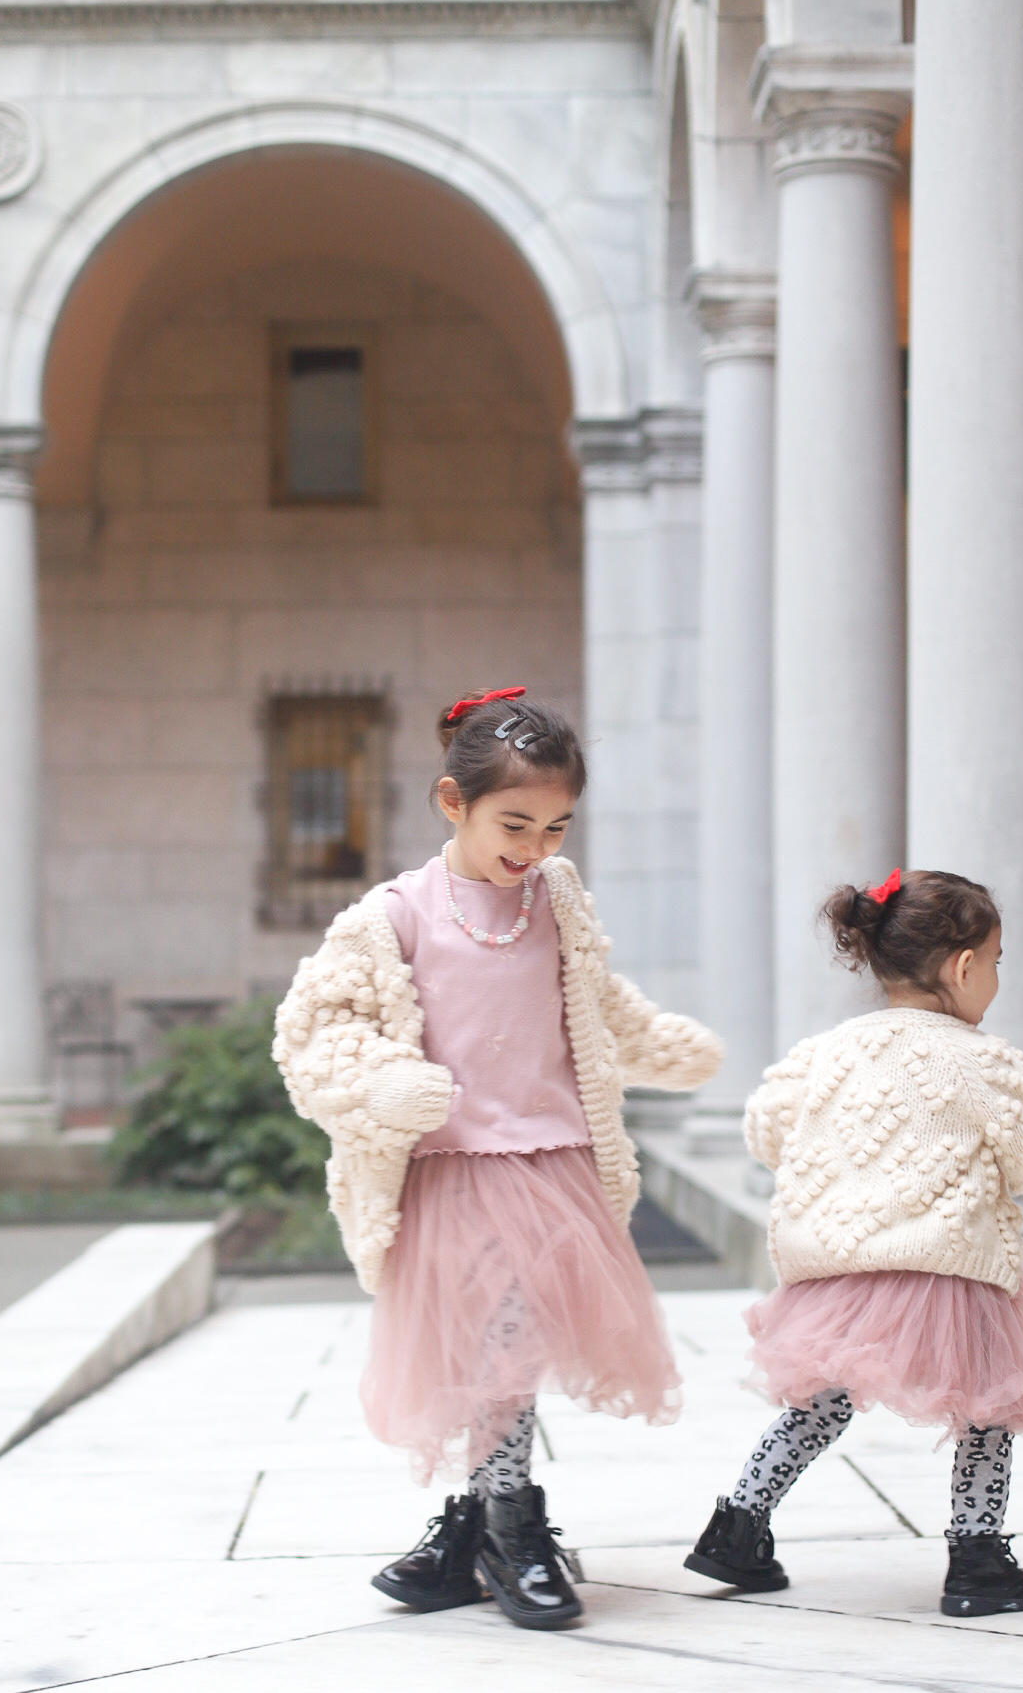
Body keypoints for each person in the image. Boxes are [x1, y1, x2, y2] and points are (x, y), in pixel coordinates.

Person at [274, 687, 722, 1630]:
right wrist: (383, 1086)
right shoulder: (393, 915)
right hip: (456, 1173)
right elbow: (319, 1037)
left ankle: (469, 1530)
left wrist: (657, 1042)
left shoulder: (555, 899)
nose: (536, 845)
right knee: (496, 1346)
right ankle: (512, 1528)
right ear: (453, 803)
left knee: (505, 1349)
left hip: (554, 1166)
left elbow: (591, 998)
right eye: (514, 823)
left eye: (558, 826)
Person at [683, 868, 1023, 1618]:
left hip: (841, 1272)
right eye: (997, 961)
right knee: (987, 1404)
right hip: (947, 1269)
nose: (996, 977)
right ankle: (977, 1559)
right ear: (964, 965)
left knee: (820, 1401)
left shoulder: (825, 1052)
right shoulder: (982, 1061)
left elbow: (763, 1128)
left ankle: (737, 1525)